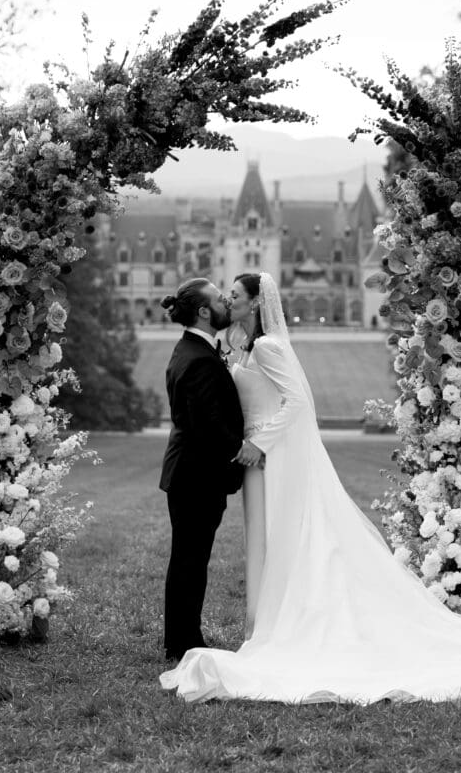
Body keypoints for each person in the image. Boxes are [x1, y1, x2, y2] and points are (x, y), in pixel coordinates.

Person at [160, 271, 461, 703]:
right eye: (223, 296)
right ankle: (259, 626)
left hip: (267, 457)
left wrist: (257, 441)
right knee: (265, 542)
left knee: (284, 538)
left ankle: (277, 627)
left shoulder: (265, 346)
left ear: (254, 303)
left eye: (233, 295)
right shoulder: (237, 348)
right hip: (253, 463)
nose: (228, 302)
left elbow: (299, 403)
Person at [158, 278, 262, 662]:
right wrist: (242, 449)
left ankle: (183, 636)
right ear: (204, 311)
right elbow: (208, 423)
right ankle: (183, 643)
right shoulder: (198, 358)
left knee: (190, 556)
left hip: (189, 471)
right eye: (220, 299)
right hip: (196, 474)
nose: (225, 303)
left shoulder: (194, 350)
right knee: (190, 558)